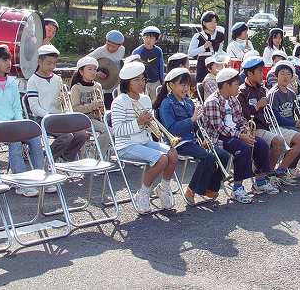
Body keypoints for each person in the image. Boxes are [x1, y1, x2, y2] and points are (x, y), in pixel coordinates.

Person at [0, 45, 50, 197]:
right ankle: (21, 183)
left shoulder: (12, 83)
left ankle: (41, 178)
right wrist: (10, 124)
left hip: (13, 126)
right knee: (15, 141)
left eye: (9, 59)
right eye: (5, 60)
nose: (9, 63)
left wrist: (19, 124)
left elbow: (17, 108)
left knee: (35, 138)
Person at [153, 67, 231, 203]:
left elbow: (196, 126)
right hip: (178, 142)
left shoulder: (189, 102)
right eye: (182, 85)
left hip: (193, 141)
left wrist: (202, 133)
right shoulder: (166, 104)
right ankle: (191, 190)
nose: (186, 88)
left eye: (187, 85)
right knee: (208, 157)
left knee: (223, 155)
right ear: (171, 85)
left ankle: (210, 188)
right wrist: (192, 119)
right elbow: (171, 129)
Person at [202, 67, 278, 203]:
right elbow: (219, 128)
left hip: (234, 134)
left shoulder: (233, 99)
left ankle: (260, 181)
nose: (239, 87)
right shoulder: (212, 102)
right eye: (236, 84)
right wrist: (240, 135)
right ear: (226, 85)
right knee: (243, 148)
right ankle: (237, 188)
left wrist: (246, 131)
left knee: (261, 144)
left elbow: (241, 119)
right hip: (218, 137)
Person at [111, 61, 178, 213]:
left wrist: (148, 122)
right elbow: (117, 131)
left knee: (173, 153)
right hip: (126, 145)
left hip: (144, 141)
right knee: (162, 159)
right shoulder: (119, 102)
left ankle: (163, 188)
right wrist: (139, 122)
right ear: (127, 83)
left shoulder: (146, 99)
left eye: (143, 79)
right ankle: (143, 193)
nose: (141, 83)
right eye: (137, 80)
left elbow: (150, 126)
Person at [238, 55, 300, 185]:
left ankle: (273, 173)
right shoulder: (242, 92)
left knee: (297, 138)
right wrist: (257, 106)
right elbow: (241, 115)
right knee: (278, 141)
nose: (262, 74)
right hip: (254, 129)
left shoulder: (263, 89)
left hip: (267, 127)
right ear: (250, 74)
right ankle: (267, 175)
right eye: (259, 71)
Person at [26, 44, 88, 163]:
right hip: (43, 119)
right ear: (39, 61)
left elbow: (63, 100)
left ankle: (65, 158)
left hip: (59, 117)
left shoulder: (57, 79)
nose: (52, 66)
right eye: (49, 63)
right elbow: (34, 107)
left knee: (82, 135)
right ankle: (48, 159)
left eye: (54, 63)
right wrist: (49, 115)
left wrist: (64, 103)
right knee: (66, 137)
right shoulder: (33, 80)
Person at [268, 60, 300, 177]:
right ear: (276, 76)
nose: (285, 76)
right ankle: (283, 169)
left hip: (291, 125)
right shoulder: (274, 93)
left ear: (292, 77)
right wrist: (296, 123)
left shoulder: (291, 93)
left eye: (288, 74)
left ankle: (297, 162)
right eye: (282, 73)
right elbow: (275, 118)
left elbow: (297, 111)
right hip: (278, 126)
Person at [69, 55, 110, 154]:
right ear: (81, 71)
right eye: (89, 69)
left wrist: (101, 109)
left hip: (96, 119)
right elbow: (74, 109)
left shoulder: (98, 86)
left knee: (112, 129)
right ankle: (95, 154)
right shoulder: (76, 88)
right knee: (107, 131)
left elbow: (102, 105)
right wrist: (91, 107)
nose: (93, 72)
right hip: (82, 120)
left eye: (95, 69)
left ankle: (98, 153)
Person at [88, 30, 126, 109]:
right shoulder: (100, 51)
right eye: (108, 45)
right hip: (103, 87)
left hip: (116, 85)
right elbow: (83, 62)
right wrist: (96, 72)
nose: (110, 48)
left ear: (120, 46)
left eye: (113, 47)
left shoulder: (122, 50)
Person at [188, 11, 225, 83]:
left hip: (216, 65)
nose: (213, 24)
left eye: (215, 22)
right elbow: (190, 53)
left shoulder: (220, 35)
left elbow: (220, 50)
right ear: (204, 23)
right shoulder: (198, 36)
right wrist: (204, 47)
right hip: (203, 65)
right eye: (210, 22)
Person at [132, 26, 164, 101]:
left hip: (156, 81)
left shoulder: (158, 51)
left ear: (156, 40)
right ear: (143, 38)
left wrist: (162, 81)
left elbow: (161, 66)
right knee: (142, 101)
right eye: (146, 37)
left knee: (156, 101)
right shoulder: (137, 52)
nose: (148, 40)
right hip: (142, 82)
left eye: (152, 38)